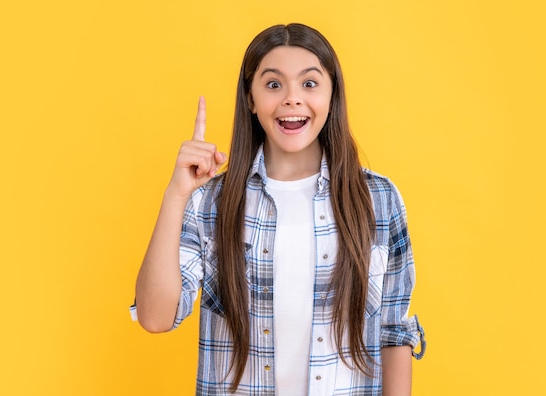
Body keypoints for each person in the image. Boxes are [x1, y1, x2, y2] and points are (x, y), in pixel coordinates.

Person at [134, 23, 425, 395]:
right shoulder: (211, 203)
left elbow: (392, 330)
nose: (292, 99)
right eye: (273, 84)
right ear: (251, 99)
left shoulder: (377, 199)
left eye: (309, 83)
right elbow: (155, 318)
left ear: (332, 95)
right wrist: (176, 194)